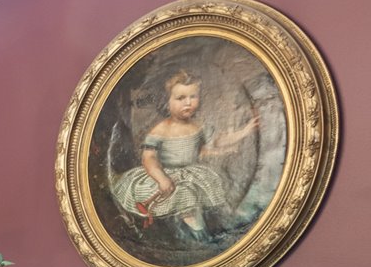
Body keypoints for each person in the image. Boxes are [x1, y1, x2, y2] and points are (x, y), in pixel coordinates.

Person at [109, 68, 259, 241]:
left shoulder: (198, 126)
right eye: (180, 98)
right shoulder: (161, 130)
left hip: (191, 174)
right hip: (165, 176)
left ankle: (216, 227)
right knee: (185, 195)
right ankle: (200, 236)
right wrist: (161, 178)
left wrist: (244, 132)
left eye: (193, 97)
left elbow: (217, 140)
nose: (188, 103)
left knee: (210, 188)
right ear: (167, 102)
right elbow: (148, 158)